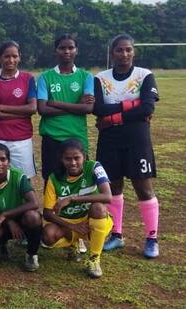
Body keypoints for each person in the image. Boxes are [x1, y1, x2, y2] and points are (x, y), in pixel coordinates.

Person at [94, 34, 161, 258]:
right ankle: (116, 234)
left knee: (143, 187)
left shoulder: (145, 76)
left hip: (137, 140)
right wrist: (133, 105)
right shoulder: (100, 79)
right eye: (119, 50)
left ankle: (152, 238)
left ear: (134, 52)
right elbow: (98, 110)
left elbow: (147, 109)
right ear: (112, 53)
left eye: (128, 50)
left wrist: (113, 117)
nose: (124, 54)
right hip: (110, 142)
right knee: (113, 188)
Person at [41, 138, 113, 278]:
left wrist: (72, 198)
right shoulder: (54, 178)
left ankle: (94, 259)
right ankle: (72, 244)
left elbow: (107, 196)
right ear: (62, 159)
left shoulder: (94, 167)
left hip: (89, 220)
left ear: (84, 156)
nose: (73, 163)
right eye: (68, 159)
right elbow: (47, 213)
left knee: (98, 208)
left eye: (76, 158)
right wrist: (72, 226)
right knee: (48, 236)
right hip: (68, 223)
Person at [36, 34, 94, 181]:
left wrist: (55, 103)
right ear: (56, 51)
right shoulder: (45, 77)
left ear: (76, 50)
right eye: (62, 48)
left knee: (80, 179)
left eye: (70, 47)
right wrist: (76, 106)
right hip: (52, 137)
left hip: (77, 136)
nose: (66, 51)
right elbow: (42, 109)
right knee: (52, 180)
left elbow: (88, 109)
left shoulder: (86, 76)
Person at [0, 143, 42, 271]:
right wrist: (7, 221)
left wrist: (6, 215)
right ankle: (2, 243)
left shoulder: (18, 177)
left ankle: (32, 254)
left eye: (3, 159)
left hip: (20, 219)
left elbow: (34, 203)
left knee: (33, 217)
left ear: (8, 162)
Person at [0, 41, 38, 178]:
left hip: (21, 140)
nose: (11, 60)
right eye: (7, 56)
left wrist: (2, 108)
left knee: (23, 179)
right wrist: (20, 113)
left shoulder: (28, 78)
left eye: (15, 56)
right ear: (0, 58)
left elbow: (32, 108)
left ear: (20, 57)